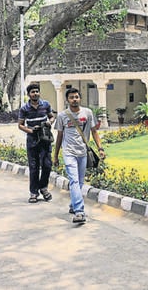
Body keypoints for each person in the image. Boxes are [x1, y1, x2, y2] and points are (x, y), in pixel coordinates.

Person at [52, 88, 106, 223]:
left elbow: (94, 132)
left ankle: (73, 204)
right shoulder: (62, 116)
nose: (74, 99)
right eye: (71, 97)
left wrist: (100, 148)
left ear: (80, 98)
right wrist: (55, 156)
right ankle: (79, 211)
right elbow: (59, 136)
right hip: (69, 152)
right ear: (67, 100)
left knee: (80, 182)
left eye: (76, 97)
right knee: (74, 180)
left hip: (83, 152)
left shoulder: (87, 113)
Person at [18, 83, 56, 204]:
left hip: (45, 139)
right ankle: (34, 193)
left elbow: (52, 116)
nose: (35, 93)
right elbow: (20, 125)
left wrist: (50, 122)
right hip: (32, 140)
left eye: (37, 91)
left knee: (47, 165)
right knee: (34, 168)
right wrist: (30, 130)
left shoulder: (46, 105)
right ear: (28, 94)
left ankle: (43, 188)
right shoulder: (24, 108)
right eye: (33, 92)